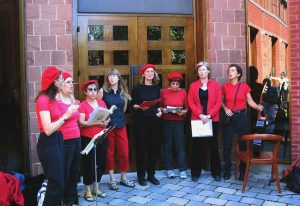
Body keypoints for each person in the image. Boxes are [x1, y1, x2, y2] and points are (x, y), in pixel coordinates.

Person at [35, 66, 78, 206]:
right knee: (56, 182)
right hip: (48, 141)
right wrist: (66, 115)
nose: (63, 81)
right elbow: (47, 129)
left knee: (59, 180)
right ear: (55, 82)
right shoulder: (43, 99)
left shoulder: (53, 98)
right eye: (61, 79)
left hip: (58, 139)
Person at [222, 64, 263, 180]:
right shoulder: (224, 87)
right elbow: (220, 101)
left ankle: (243, 170)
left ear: (238, 74)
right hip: (229, 117)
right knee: (227, 145)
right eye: (229, 70)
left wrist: (257, 107)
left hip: (241, 117)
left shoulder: (244, 87)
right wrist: (225, 108)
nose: (230, 72)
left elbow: (250, 101)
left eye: (233, 70)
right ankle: (227, 170)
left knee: (244, 145)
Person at [98, 69, 135, 190]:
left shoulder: (123, 91)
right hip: (108, 126)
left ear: (118, 78)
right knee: (110, 152)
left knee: (124, 151)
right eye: (109, 76)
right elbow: (98, 109)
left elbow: (123, 109)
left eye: (114, 76)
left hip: (121, 124)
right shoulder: (102, 91)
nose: (112, 78)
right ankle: (112, 178)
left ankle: (124, 177)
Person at [188, 61, 222, 182]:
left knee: (213, 146)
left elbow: (219, 102)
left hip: (213, 119)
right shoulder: (193, 85)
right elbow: (191, 102)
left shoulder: (215, 85)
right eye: (199, 70)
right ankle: (195, 172)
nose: (201, 72)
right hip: (198, 120)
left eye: (203, 70)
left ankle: (216, 172)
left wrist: (209, 115)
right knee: (197, 147)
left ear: (208, 71)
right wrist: (200, 114)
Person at [78, 80, 109, 202]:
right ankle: (88, 190)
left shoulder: (101, 102)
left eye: (95, 89)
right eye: (90, 90)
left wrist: (106, 122)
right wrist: (96, 122)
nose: (93, 92)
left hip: (101, 137)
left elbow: (106, 117)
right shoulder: (82, 105)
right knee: (89, 164)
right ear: (85, 92)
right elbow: (81, 122)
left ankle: (96, 188)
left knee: (101, 163)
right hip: (87, 138)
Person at [131, 64, 162, 186]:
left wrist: (159, 111)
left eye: (152, 71)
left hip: (154, 121)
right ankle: (141, 176)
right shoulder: (137, 88)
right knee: (141, 149)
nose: (150, 73)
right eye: (148, 71)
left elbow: (158, 103)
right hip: (141, 122)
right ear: (143, 74)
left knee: (153, 148)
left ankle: (151, 175)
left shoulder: (156, 88)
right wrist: (140, 106)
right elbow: (132, 104)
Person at [56, 72, 81, 205]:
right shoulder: (56, 100)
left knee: (75, 170)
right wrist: (68, 112)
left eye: (72, 82)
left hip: (77, 138)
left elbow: (76, 118)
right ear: (60, 85)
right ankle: (65, 199)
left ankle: (72, 198)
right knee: (65, 171)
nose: (71, 84)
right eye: (68, 82)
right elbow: (58, 119)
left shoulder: (72, 98)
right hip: (65, 140)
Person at [160, 72, 188, 179]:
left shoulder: (183, 92)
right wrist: (164, 110)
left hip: (179, 121)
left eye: (177, 84)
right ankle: (169, 169)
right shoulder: (163, 92)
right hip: (166, 121)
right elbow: (160, 107)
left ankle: (182, 169)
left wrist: (183, 112)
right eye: (173, 84)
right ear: (170, 84)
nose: (175, 86)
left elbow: (187, 108)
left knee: (180, 145)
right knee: (168, 145)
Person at [249, 66, 263, 133]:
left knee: (249, 130)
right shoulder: (260, 86)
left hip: (248, 111)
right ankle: (257, 142)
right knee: (259, 129)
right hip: (259, 110)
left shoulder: (245, 86)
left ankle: (249, 142)